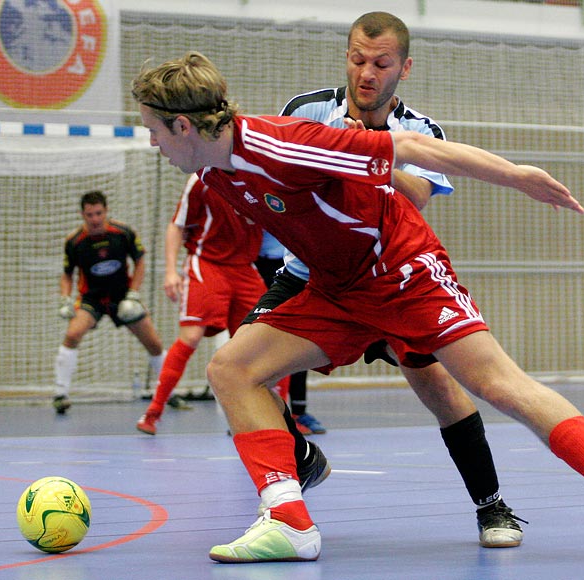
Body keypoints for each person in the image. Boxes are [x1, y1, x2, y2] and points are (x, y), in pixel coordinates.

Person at [132, 51, 584, 566]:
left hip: (402, 271)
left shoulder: (284, 143)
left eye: (153, 130)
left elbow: (417, 150)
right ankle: (289, 522)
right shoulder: (211, 172)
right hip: (337, 288)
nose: (152, 143)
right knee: (232, 368)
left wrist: (518, 176)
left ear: (183, 126)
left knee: (498, 385)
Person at [240, 11, 524, 547]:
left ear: (403, 69)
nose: (366, 73)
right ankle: (299, 459)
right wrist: (327, 147)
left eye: (381, 63)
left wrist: (367, 150)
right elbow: (284, 174)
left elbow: (413, 198)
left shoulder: (421, 130)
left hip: (388, 282)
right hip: (310, 276)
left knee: (439, 387)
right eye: (357, 59)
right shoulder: (307, 110)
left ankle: (492, 506)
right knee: (238, 365)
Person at [136, 174, 268, 434]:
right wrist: (170, 271)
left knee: (267, 339)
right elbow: (177, 225)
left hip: (245, 268)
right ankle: (154, 411)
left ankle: (271, 416)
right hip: (208, 263)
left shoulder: (262, 176)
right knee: (192, 335)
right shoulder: (203, 178)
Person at [54, 191, 166, 414]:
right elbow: (67, 274)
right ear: (82, 214)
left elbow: (140, 262)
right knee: (72, 334)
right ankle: (60, 394)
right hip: (91, 299)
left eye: (98, 213)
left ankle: (168, 394)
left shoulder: (123, 233)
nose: (94, 219)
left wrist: (133, 293)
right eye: (89, 215)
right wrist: (65, 298)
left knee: (153, 343)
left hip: (122, 296)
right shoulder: (74, 241)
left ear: (106, 211)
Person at [253, 232, 324, 435]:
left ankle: (298, 412)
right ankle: (261, 411)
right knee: (262, 339)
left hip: (293, 267)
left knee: (299, 337)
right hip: (259, 266)